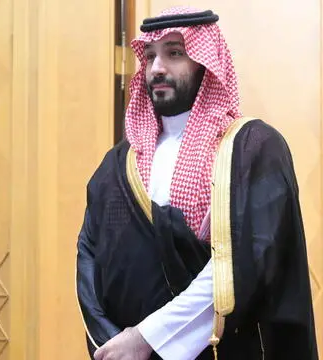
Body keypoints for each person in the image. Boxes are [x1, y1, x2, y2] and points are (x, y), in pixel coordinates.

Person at [75, 6, 318, 360]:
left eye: (175, 53)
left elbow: (244, 264)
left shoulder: (253, 150)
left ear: (207, 62)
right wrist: (110, 341)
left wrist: (146, 338)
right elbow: (89, 258)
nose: (157, 68)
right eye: (151, 55)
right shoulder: (118, 163)